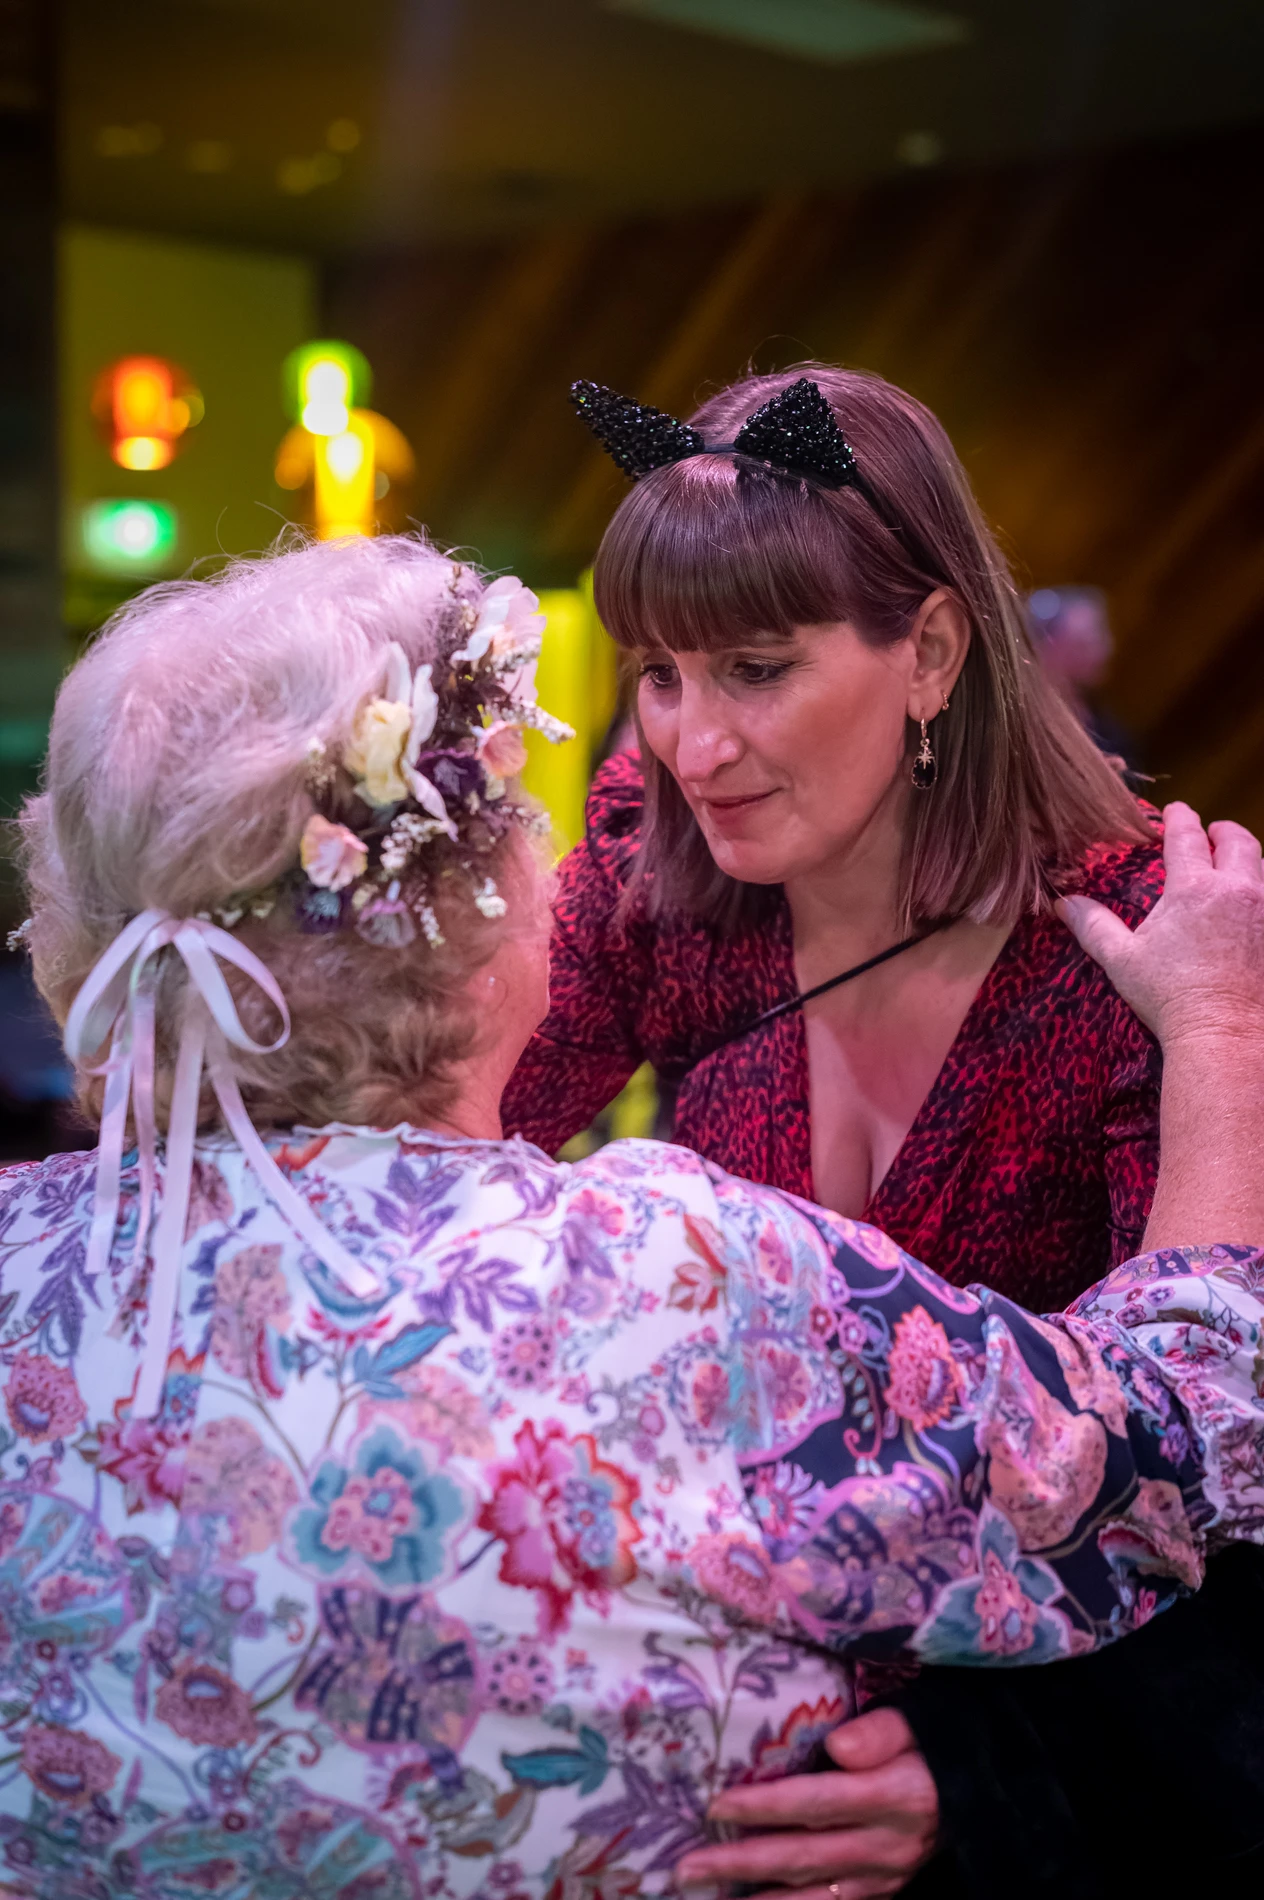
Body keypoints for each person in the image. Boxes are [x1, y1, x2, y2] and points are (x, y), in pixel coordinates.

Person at [3, 532, 1264, 1899]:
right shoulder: (674, 1279)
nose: (684, 753)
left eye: (755, 668)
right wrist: (1224, 1021)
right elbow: (1183, 1438)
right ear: (477, 914)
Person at [497, 367, 1260, 1894]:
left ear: (927, 650)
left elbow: (1215, 1477)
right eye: (660, 673)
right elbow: (449, 1131)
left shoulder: (1142, 955)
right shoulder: (661, 857)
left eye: (757, 669)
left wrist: (989, 1773)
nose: (690, 744)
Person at [1026, 584, 1139, 769]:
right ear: (1047, 645)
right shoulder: (1023, 720)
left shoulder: (1107, 728)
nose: (1107, 649)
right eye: (1087, 643)